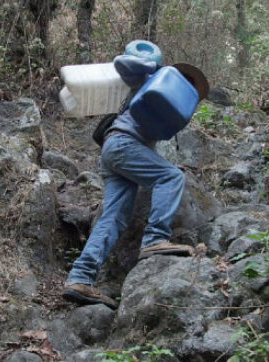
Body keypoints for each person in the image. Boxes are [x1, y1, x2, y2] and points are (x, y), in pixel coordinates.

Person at [62, 55, 210, 309]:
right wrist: (150, 67)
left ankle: (80, 278)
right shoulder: (151, 81)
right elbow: (124, 65)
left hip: (116, 149)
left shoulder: (172, 104)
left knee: (114, 217)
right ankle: (155, 239)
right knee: (171, 176)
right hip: (122, 145)